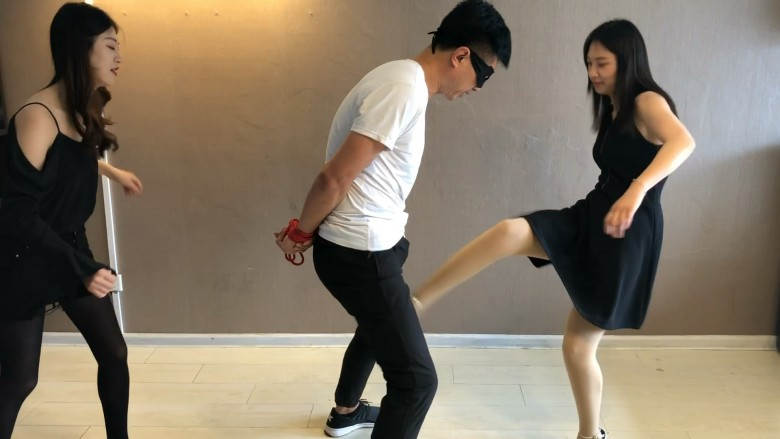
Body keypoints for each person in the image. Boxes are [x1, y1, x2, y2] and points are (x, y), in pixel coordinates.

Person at [412, 19, 696, 439]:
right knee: (510, 232)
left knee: (578, 347)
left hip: (625, 235)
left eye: (601, 63)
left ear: (627, 59)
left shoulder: (646, 101)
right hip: (592, 215)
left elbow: (683, 142)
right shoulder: (615, 106)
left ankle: (590, 435)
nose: (592, 72)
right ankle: (416, 302)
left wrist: (636, 191)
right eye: (588, 63)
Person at [274, 1, 511, 436]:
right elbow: (334, 177)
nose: (479, 87)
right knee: (417, 382)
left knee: (375, 327)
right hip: (361, 253)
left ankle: (346, 412)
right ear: (460, 56)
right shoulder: (403, 88)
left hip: (369, 245)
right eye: (485, 74)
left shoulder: (401, 79)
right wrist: (299, 232)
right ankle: (348, 412)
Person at [0, 3, 143, 438]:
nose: (119, 57)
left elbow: (62, 158)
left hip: (67, 248)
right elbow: (16, 212)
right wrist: (83, 268)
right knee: (19, 380)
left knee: (114, 353)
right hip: (23, 259)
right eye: (110, 46)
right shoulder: (37, 115)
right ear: (81, 48)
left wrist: (111, 171)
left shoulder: (79, 108)